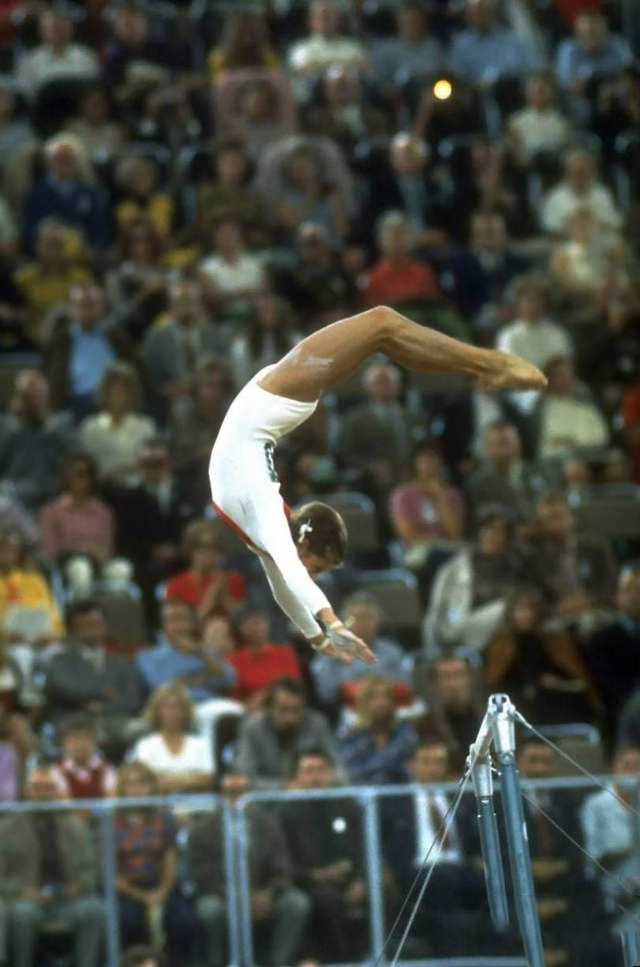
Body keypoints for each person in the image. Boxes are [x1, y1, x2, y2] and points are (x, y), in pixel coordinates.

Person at [209, 304, 545, 666]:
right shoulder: (267, 525)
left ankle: (491, 365)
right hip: (277, 399)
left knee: (383, 324)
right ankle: (485, 368)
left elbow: (288, 579)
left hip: (278, 394)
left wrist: (325, 629)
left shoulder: (266, 515)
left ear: (303, 540)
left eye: (316, 570)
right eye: (318, 569)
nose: (313, 576)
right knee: (382, 332)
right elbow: (287, 582)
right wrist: (324, 632)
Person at [188, 772, 310, 967]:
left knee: (296, 903)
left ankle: (279, 962)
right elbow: (200, 875)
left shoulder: (269, 825)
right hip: (222, 896)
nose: (237, 799)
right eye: (230, 792)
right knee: (209, 910)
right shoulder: (202, 830)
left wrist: (269, 894)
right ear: (220, 795)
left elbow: (283, 868)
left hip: (263, 894)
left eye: (242, 792)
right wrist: (236, 896)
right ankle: (217, 963)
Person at [380, 739, 485, 956]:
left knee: (495, 882)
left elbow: (474, 841)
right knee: (445, 884)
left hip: (460, 870)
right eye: (426, 762)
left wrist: (479, 859)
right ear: (411, 765)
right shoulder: (393, 802)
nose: (433, 768)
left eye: (439, 762)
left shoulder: (462, 798)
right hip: (416, 872)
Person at [0, 766, 105, 967]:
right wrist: (21, 891)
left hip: (68, 899)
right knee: (23, 914)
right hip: (26, 900)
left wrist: (80, 885)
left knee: (94, 910)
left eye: (49, 788)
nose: (43, 794)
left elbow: (91, 868)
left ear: (57, 792)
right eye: (37, 788)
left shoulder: (75, 826)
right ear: (27, 792)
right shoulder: (6, 829)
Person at [281, 748, 368, 962]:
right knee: (327, 900)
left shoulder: (348, 807)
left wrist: (361, 880)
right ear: (297, 777)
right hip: (309, 882)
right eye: (308, 771)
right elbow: (283, 861)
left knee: (382, 890)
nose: (315, 777)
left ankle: (382, 955)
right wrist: (316, 876)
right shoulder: (286, 813)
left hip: (349, 878)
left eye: (321, 770)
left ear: (331, 774)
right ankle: (340, 960)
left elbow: (364, 848)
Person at [115, 762, 195, 967]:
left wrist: (161, 892)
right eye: (130, 784)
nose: (136, 789)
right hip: (126, 890)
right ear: (122, 788)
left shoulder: (165, 819)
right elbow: (109, 869)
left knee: (182, 921)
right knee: (128, 919)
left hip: (161, 886)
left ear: (151, 787)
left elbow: (170, 858)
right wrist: (140, 896)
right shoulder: (112, 820)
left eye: (141, 783)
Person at [484, 587, 599, 725]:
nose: (525, 614)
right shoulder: (501, 644)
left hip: (556, 698)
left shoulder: (555, 641)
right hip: (517, 701)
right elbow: (495, 681)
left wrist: (556, 681)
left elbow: (576, 678)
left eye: (529, 609)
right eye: (520, 609)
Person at [45, 598, 145, 754]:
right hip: (74, 723)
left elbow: (132, 698)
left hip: (115, 721)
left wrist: (102, 708)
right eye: (84, 626)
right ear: (73, 630)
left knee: (140, 729)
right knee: (82, 734)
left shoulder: (122, 662)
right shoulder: (60, 662)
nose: (91, 630)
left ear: (105, 626)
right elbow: (67, 690)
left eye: (95, 625)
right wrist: (105, 692)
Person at [423, 505, 524, 656]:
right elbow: (436, 608)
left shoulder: (515, 569)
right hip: (453, 630)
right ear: (480, 532)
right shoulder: (456, 567)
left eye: (499, 532)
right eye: (488, 529)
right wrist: (430, 649)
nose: (492, 536)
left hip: (496, 632)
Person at [311, 592, 412, 710]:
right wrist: (353, 688)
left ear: (378, 621)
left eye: (368, 617)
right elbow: (325, 693)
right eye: (357, 618)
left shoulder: (392, 650)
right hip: (348, 712)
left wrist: (379, 687)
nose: (363, 623)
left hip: (391, 709)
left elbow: (407, 685)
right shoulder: (331, 651)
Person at [235, 676, 341, 786]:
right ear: (269, 708)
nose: (290, 718)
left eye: (296, 710)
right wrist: (285, 787)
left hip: (313, 796)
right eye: (283, 709)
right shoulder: (253, 729)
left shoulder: (317, 725)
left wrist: (322, 780)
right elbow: (244, 779)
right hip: (268, 800)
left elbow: (340, 771)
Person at [580, 746, 640, 931]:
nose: (634, 771)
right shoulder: (595, 805)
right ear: (614, 769)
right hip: (612, 889)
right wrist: (624, 850)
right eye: (627, 765)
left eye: (639, 766)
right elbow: (591, 859)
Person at [136, 599, 236, 704]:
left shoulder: (206, 652)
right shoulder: (149, 656)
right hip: (171, 710)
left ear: (192, 623)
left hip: (208, 706)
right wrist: (194, 680)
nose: (178, 626)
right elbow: (159, 685)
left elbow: (229, 680)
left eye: (182, 619)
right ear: (164, 626)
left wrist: (200, 653)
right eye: (171, 620)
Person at [0, 369, 75, 508]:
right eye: (28, 396)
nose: (34, 401)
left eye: (39, 395)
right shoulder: (8, 426)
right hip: (15, 495)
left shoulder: (61, 425)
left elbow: (75, 461)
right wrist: (18, 423)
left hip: (51, 494)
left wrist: (46, 422)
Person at [585, 565, 640, 748]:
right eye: (628, 591)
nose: (634, 596)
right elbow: (602, 680)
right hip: (617, 708)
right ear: (616, 596)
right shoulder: (600, 639)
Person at [129, 683, 214, 794]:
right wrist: (190, 778)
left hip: (197, 807)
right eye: (166, 707)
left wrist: (164, 778)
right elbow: (143, 782)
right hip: (157, 807)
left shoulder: (201, 744)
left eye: (176, 707)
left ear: (185, 711)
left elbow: (208, 779)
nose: (171, 712)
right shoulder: (146, 745)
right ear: (157, 712)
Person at [79, 362, 157, 482]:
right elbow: (87, 470)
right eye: (115, 390)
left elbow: (152, 465)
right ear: (105, 392)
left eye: (125, 390)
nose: (119, 396)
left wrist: (128, 470)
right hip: (103, 491)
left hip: (139, 492)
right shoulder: (91, 428)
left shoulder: (146, 427)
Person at [337, 675, 417, 785]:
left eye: (386, 697)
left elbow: (412, 772)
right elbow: (352, 774)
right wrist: (391, 765)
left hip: (402, 794)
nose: (381, 703)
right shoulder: (349, 736)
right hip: (363, 795)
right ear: (364, 703)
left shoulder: (405, 733)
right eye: (374, 698)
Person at [40, 452, 115, 567]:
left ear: (91, 478)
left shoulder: (102, 512)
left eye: (83, 474)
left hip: (97, 563)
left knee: (122, 568)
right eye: (73, 474)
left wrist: (98, 555)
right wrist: (79, 551)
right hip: (66, 564)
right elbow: (50, 551)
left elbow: (106, 547)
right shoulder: (53, 510)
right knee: (81, 567)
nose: (78, 479)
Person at [166, 519, 247, 622]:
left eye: (214, 547)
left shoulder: (234, 580)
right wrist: (209, 599)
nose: (208, 553)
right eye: (201, 547)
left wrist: (225, 599)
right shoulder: (176, 585)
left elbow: (244, 624)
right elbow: (180, 627)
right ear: (190, 549)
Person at [537, 355, 610, 459]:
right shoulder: (543, 409)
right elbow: (548, 444)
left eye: (568, 374)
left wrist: (573, 442)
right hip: (556, 461)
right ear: (550, 379)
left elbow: (602, 437)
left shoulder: (586, 407)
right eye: (560, 375)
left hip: (590, 457)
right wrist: (574, 442)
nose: (565, 379)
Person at [16, 8, 99, 96]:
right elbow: (26, 95)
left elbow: (92, 91)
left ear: (70, 29)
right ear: (41, 31)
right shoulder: (30, 61)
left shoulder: (86, 56)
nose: (57, 31)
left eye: (60, 26)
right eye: (52, 28)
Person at [229, 605, 302, 705]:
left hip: (288, 705)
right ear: (240, 629)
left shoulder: (286, 653)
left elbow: (296, 685)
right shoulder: (234, 660)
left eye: (260, 622)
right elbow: (234, 697)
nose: (257, 628)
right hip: (253, 711)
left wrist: (267, 695)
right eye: (251, 624)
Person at [51, 714, 117, 799]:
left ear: (94, 742)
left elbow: (111, 801)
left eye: (85, 739)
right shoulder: (56, 771)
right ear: (64, 743)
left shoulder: (107, 770)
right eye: (75, 739)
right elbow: (64, 805)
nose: (80, 744)